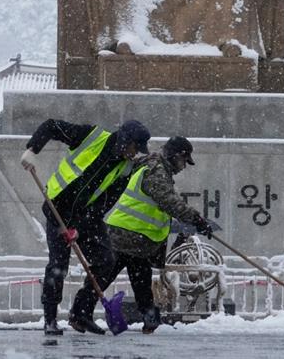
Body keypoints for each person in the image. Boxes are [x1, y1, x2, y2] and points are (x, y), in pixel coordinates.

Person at [69, 136, 214, 335]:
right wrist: (197, 220)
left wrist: (197, 222)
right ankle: (81, 315)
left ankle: (148, 318)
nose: (183, 167)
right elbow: (168, 201)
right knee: (105, 276)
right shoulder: (156, 170)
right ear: (174, 155)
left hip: (138, 239)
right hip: (125, 235)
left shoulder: (155, 168)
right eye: (183, 161)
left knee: (139, 279)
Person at [20, 119, 151, 336]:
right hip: (57, 209)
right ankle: (50, 319)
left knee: (106, 261)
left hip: (86, 216)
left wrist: (79, 228)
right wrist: (33, 149)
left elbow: (106, 202)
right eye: (134, 148)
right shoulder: (92, 136)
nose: (135, 154)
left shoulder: (126, 168)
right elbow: (52, 126)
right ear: (125, 141)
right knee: (58, 265)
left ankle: (81, 313)